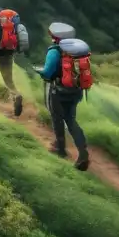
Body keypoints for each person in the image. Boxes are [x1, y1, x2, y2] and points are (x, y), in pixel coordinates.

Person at [34, 22, 90, 172]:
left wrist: (38, 70)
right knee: (71, 119)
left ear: (54, 37)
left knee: (57, 118)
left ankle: (60, 147)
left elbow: (47, 73)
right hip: (76, 92)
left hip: (58, 91)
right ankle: (83, 151)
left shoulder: (55, 51)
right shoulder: (78, 51)